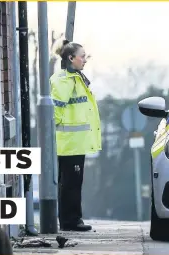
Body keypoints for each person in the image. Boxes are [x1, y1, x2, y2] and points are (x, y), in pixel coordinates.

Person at [50, 39, 102, 232]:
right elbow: (56, 110)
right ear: (71, 58)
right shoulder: (65, 81)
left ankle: (72, 219)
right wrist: (50, 135)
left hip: (75, 142)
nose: (85, 60)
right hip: (70, 143)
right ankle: (71, 221)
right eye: (82, 56)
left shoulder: (75, 78)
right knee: (70, 184)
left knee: (73, 182)